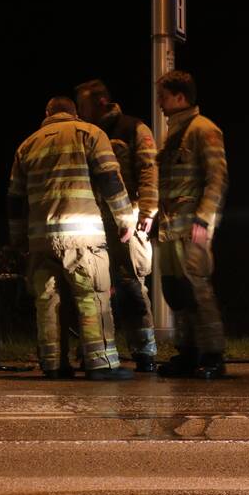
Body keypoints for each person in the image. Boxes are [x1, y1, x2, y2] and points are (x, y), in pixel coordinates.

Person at [7, 96, 135, 381]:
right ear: (74, 113)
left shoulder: (27, 145)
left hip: (40, 242)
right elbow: (110, 178)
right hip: (82, 237)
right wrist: (125, 219)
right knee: (92, 297)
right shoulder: (90, 134)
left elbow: (15, 200)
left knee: (48, 303)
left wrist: (18, 240)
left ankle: (53, 364)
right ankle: (100, 364)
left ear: (47, 113)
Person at [74, 79, 159, 372]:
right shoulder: (86, 134)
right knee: (95, 289)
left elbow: (148, 169)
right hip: (94, 222)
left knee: (131, 284)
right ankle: (98, 353)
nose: (80, 112)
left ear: (99, 102)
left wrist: (147, 211)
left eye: (83, 105)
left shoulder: (134, 128)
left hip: (128, 218)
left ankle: (145, 352)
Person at [154, 70, 229, 379]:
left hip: (192, 228)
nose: (159, 102)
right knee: (177, 292)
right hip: (170, 229)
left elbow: (217, 178)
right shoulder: (174, 133)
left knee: (198, 290)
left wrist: (204, 217)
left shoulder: (204, 129)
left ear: (180, 97)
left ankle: (213, 355)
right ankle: (187, 353)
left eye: (163, 96)